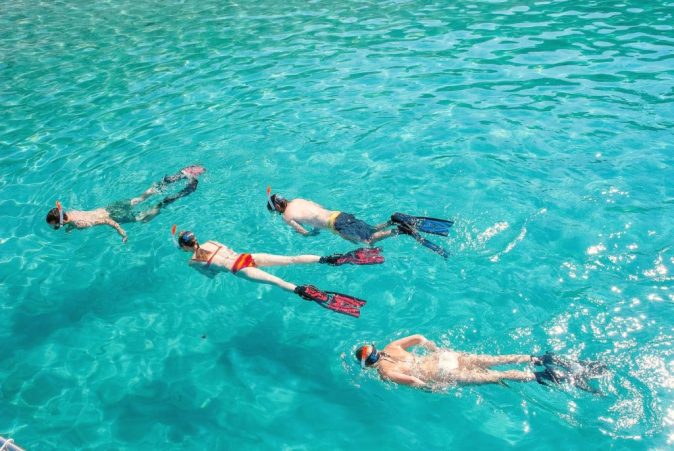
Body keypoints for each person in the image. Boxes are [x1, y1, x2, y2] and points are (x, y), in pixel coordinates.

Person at [174, 229, 383, 317]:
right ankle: (329, 259)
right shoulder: (212, 241)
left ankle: (305, 291)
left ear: (184, 247)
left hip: (238, 269)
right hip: (247, 257)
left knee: (278, 282)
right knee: (290, 259)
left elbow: (212, 275)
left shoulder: (192, 261)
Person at [355, 334, 606, 392]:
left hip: (440, 372)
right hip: (445, 357)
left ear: (368, 364)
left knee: (502, 375)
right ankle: (543, 359)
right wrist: (437, 350)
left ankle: (554, 376)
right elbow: (420, 338)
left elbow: (410, 379)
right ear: (376, 349)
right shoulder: (392, 347)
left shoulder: (385, 371)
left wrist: (431, 389)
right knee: (497, 360)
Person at [266, 189, 454, 258]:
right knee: (370, 229)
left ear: (277, 209)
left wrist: (310, 234)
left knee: (368, 241)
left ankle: (399, 230)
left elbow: (302, 231)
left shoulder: (285, 217)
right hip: (339, 214)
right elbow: (318, 208)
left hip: (336, 226)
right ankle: (392, 220)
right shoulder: (298, 200)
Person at [45, 165, 205, 242]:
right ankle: (172, 179)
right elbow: (74, 221)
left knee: (143, 218)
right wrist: (69, 228)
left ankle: (171, 198)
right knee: (141, 197)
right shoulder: (71, 213)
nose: (53, 227)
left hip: (115, 215)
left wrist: (121, 232)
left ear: (60, 220)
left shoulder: (80, 223)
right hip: (110, 207)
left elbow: (106, 221)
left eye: (54, 225)